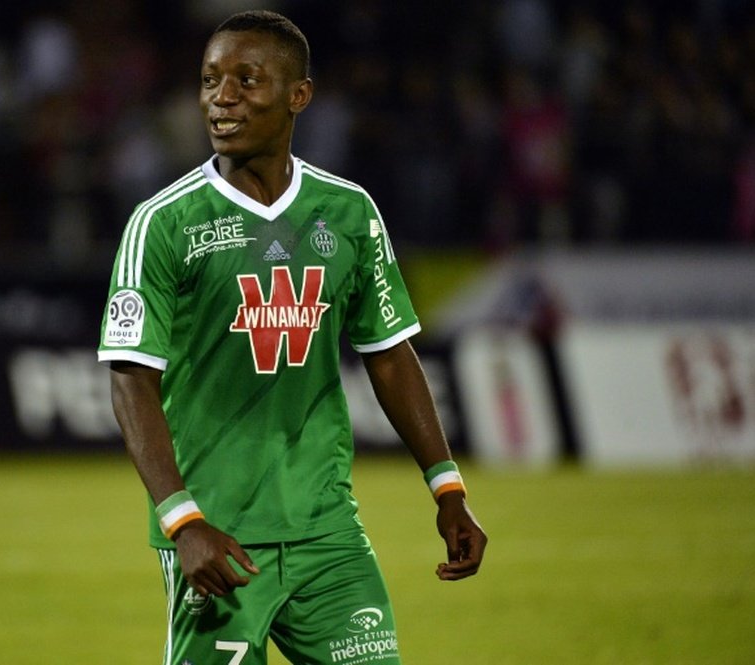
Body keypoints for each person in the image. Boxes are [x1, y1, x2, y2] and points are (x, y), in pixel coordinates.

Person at [98, 10, 486, 664]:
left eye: (246, 80)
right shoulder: (162, 223)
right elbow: (131, 377)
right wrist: (182, 521)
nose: (221, 97)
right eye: (209, 80)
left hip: (327, 532)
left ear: (297, 95)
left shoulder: (350, 213)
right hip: (218, 540)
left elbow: (390, 355)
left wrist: (448, 490)